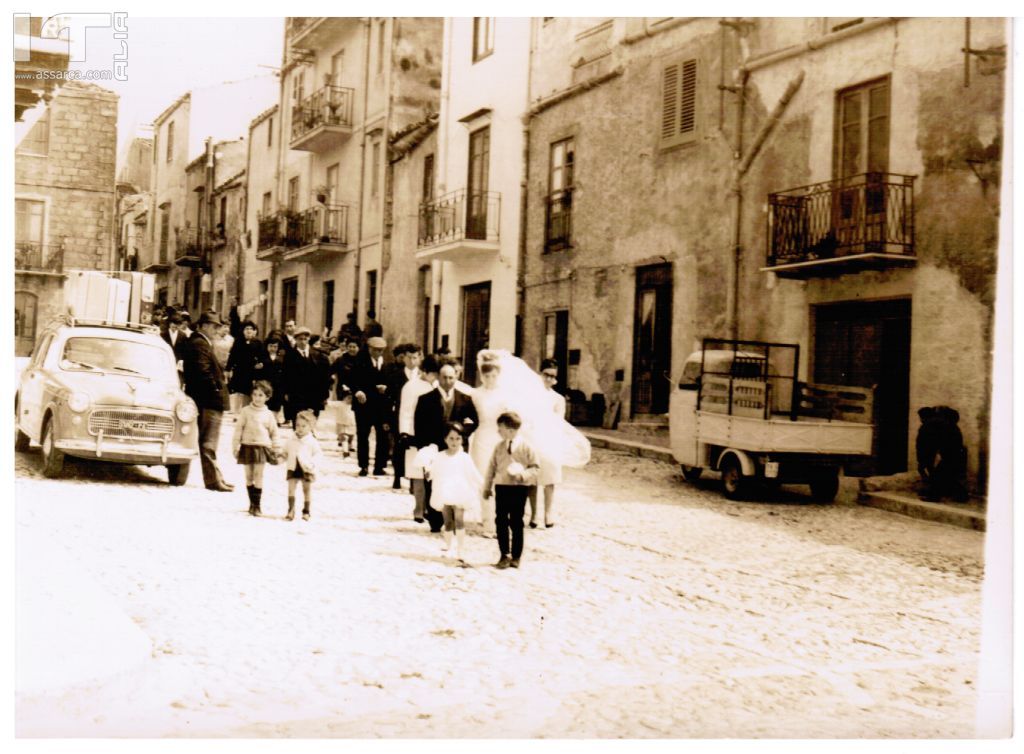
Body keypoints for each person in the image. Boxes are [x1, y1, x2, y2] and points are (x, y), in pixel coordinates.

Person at [413, 362, 478, 532]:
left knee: (455, 481)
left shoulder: (465, 399)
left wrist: (461, 434)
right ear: (438, 378)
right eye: (444, 377)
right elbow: (419, 427)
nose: (448, 381)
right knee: (434, 482)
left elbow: (475, 421)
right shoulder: (426, 399)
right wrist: (425, 449)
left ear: (456, 378)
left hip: (455, 448)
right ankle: (435, 519)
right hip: (434, 448)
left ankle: (454, 520)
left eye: (451, 377)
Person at [182, 310, 234, 492]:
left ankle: (215, 477)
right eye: (214, 326)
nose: (216, 330)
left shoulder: (200, 342)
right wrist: (217, 390)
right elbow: (203, 373)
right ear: (203, 326)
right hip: (208, 401)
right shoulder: (200, 343)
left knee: (209, 444)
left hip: (206, 400)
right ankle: (213, 481)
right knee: (209, 444)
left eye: (218, 327)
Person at [482, 411, 539, 570]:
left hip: (518, 489)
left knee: (516, 521)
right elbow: (491, 468)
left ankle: (516, 556)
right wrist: (487, 487)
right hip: (501, 487)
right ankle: (504, 554)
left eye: (500, 428)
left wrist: (523, 476)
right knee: (500, 519)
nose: (498, 431)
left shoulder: (527, 447)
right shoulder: (499, 447)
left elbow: (535, 467)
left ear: (510, 430)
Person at [426, 421, 483, 566]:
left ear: (462, 440)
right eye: (451, 438)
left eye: (458, 438)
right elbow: (432, 473)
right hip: (444, 490)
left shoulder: (464, 457)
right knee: (447, 521)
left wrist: (484, 485)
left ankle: (460, 549)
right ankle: (449, 546)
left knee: (459, 518)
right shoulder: (439, 456)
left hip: (460, 490)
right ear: (445, 439)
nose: (454, 442)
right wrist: (427, 472)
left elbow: (473, 473)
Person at [527, 358, 567, 528]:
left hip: (549, 439)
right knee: (532, 477)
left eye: (552, 376)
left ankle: (548, 512)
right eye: (546, 375)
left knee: (550, 477)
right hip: (532, 438)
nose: (549, 379)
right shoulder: (530, 395)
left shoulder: (558, 399)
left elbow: (558, 422)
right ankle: (534, 514)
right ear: (540, 374)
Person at [400, 355, 440, 523]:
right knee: (417, 473)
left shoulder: (436, 385)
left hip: (432, 434)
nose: (435, 378)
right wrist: (405, 433)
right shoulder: (411, 386)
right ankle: (418, 508)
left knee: (431, 473)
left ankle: (430, 506)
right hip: (414, 433)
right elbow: (406, 411)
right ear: (425, 372)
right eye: (433, 374)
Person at [232, 380, 280, 516]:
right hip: (247, 446)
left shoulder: (269, 414)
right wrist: (235, 446)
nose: (257, 398)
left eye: (261, 395)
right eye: (255, 394)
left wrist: (276, 448)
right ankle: (251, 504)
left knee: (259, 475)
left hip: (261, 447)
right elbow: (238, 430)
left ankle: (257, 506)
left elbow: (274, 433)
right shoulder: (245, 411)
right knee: (249, 476)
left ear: (267, 398)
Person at [351, 335, 392, 477]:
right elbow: (352, 381)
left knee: (383, 436)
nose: (378, 353)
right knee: (363, 436)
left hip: (381, 407)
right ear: (369, 349)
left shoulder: (387, 364)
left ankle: (379, 466)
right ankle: (363, 466)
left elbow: (392, 382)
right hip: (364, 405)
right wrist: (358, 391)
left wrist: (386, 388)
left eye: (381, 350)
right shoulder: (359, 362)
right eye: (375, 350)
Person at [386, 343, 420, 490]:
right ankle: (397, 476)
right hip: (399, 417)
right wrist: (387, 419)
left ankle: (414, 479)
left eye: (415, 358)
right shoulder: (396, 376)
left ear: (419, 358)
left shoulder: (422, 377)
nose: (412, 361)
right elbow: (388, 399)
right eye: (409, 357)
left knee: (415, 449)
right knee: (399, 449)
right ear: (404, 358)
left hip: (418, 417)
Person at [282, 326, 331, 425]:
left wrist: (324, 395)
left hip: (314, 394)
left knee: (312, 421)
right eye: (300, 339)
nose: (303, 342)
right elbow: (285, 376)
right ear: (295, 339)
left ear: (309, 339)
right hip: (297, 394)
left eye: (305, 339)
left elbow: (324, 376)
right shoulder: (290, 356)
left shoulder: (318, 355)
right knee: (299, 421)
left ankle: (310, 437)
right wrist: (286, 392)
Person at [284, 410, 322, 521]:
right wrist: (279, 457)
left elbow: (318, 454)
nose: (300, 428)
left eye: (303, 426)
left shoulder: (312, 441)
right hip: (293, 467)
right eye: (298, 425)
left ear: (311, 427)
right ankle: (291, 510)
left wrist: (312, 463)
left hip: (306, 469)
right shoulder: (291, 439)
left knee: (307, 490)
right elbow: (285, 451)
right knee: (291, 489)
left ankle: (306, 511)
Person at [226, 320, 266, 414]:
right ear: (243, 331)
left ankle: (246, 412)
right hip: (239, 371)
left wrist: (261, 364)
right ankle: (236, 413)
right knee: (238, 392)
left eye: (251, 329)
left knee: (248, 392)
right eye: (246, 329)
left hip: (251, 372)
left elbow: (263, 357)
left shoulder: (258, 343)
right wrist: (228, 368)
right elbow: (232, 356)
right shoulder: (238, 342)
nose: (249, 331)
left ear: (254, 331)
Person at [331, 338, 361, 454]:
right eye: (350, 347)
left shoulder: (362, 360)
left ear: (358, 348)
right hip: (343, 392)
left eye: (354, 347)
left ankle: (351, 441)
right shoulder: (341, 360)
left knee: (354, 418)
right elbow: (331, 371)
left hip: (358, 392)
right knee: (344, 415)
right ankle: (343, 438)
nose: (352, 349)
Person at [258, 334, 287, 426]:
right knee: (266, 402)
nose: (273, 348)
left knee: (276, 403)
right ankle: (265, 420)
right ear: (266, 346)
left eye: (275, 346)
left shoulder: (281, 359)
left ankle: (274, 420)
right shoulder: (262, 358)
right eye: (270, 346)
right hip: (266, 383)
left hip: (278, 384)